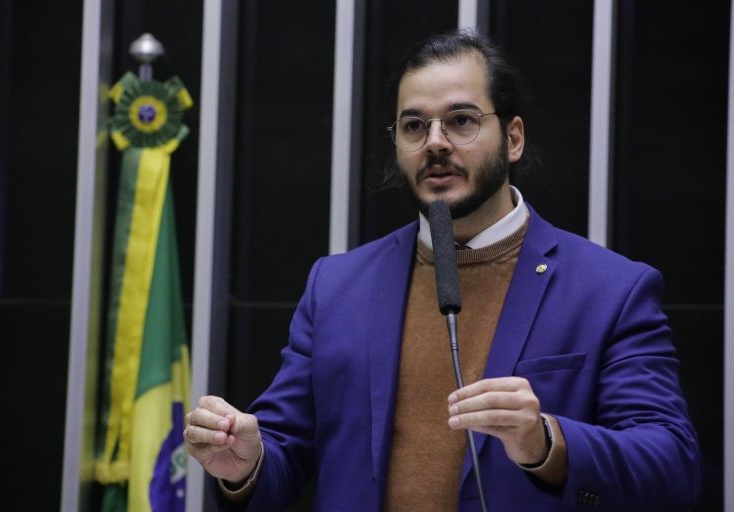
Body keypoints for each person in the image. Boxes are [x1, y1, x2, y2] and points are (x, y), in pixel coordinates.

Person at [183, 29, 702, 511]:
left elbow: (672, 466)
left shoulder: (609, 289)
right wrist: (245, 464)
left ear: (513, 138)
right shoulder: (338, 286)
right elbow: (284, 450)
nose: (435, 141)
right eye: (415, 125)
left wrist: (549, 441)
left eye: (461, 120)